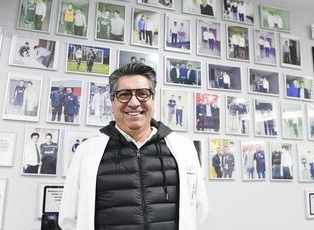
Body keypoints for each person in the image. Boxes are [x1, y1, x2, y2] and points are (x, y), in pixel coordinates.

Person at [59, 63, 208, 230]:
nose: (134, 102)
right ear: (112, 100)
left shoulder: (184, 148)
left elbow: (198, 210)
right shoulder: (87, 152)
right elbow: (69, 218)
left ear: (152, 98)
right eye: (124, 95)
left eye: (143, 94)